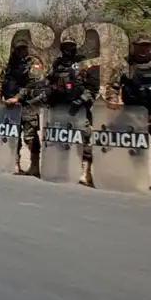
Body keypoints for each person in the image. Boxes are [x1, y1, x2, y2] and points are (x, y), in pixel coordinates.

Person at [44, 34, 100, 186]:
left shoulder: (85, 63)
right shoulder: (56, 63)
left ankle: (85, 172)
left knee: (85, 137)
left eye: (71, 46)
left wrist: (82, 99)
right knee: (61, 139)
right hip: (60, 107)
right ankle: (63, 169)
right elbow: (47, 81)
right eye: (65, 46)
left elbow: (93, 88)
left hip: (79, 108)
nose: (68, 49)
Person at [102, 32, 151, 161]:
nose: (143, 49)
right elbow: (113, 87)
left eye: (146, 46)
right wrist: (113, 102)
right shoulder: (125, 66)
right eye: (140, 46)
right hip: (132, 114)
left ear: (150, 47)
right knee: (113, 143)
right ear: (134, 46)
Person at [0, 36, 47, 176]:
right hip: (10, 105)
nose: (21, 51)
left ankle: (34, 165)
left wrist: (17, 97)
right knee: (13, 135)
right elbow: (2, 80)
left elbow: (32, 84)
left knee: (30, 136)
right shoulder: (10, 64)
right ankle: (15, 164)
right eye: (18, 48)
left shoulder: (33, 63)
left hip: (28, 105)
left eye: (23, 48)